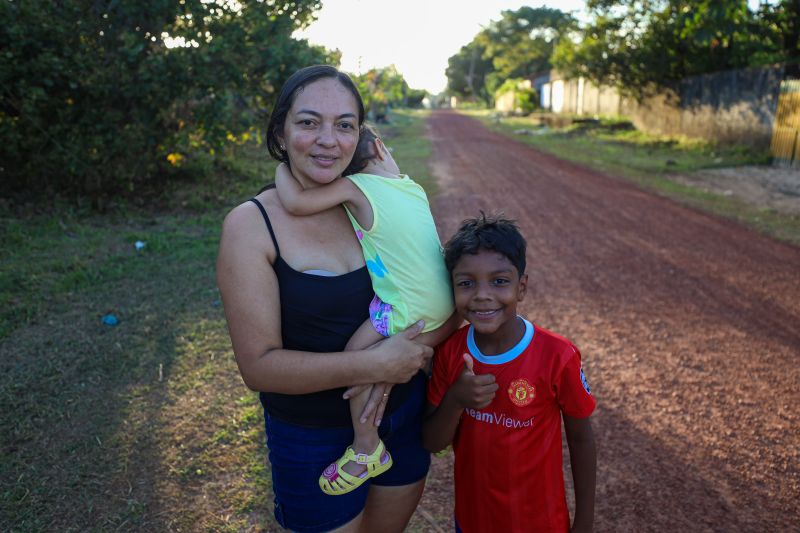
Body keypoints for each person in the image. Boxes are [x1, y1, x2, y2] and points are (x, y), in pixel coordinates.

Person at [216, 65, 452, 532]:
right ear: (281, 134)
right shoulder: (250, 225)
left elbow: (435, 297)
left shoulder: (375, 201)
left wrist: (414, 351)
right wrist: (373, 366)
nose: (328, 139)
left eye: (344, 125)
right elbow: (258, 367)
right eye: (308, 122)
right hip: (311, 437)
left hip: (403, 420)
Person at [274, 123, 457, 496]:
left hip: (407, 307)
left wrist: (283, 166)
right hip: (445, 303)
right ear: (380, 148)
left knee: (357, 356)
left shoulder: (354, 188)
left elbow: (295, 202)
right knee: (382, 363)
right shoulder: (412, 187)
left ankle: (366, 445)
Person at [422, 213, 597, 533]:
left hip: (540, 523)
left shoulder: (557, 354)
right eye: (466, 283)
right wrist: (456, 399)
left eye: (499, 281)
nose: (482, 295)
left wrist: (584, 520)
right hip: (473, 521)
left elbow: (581, 437)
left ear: (522, 287)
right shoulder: (450, 351)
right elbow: (433, 442)